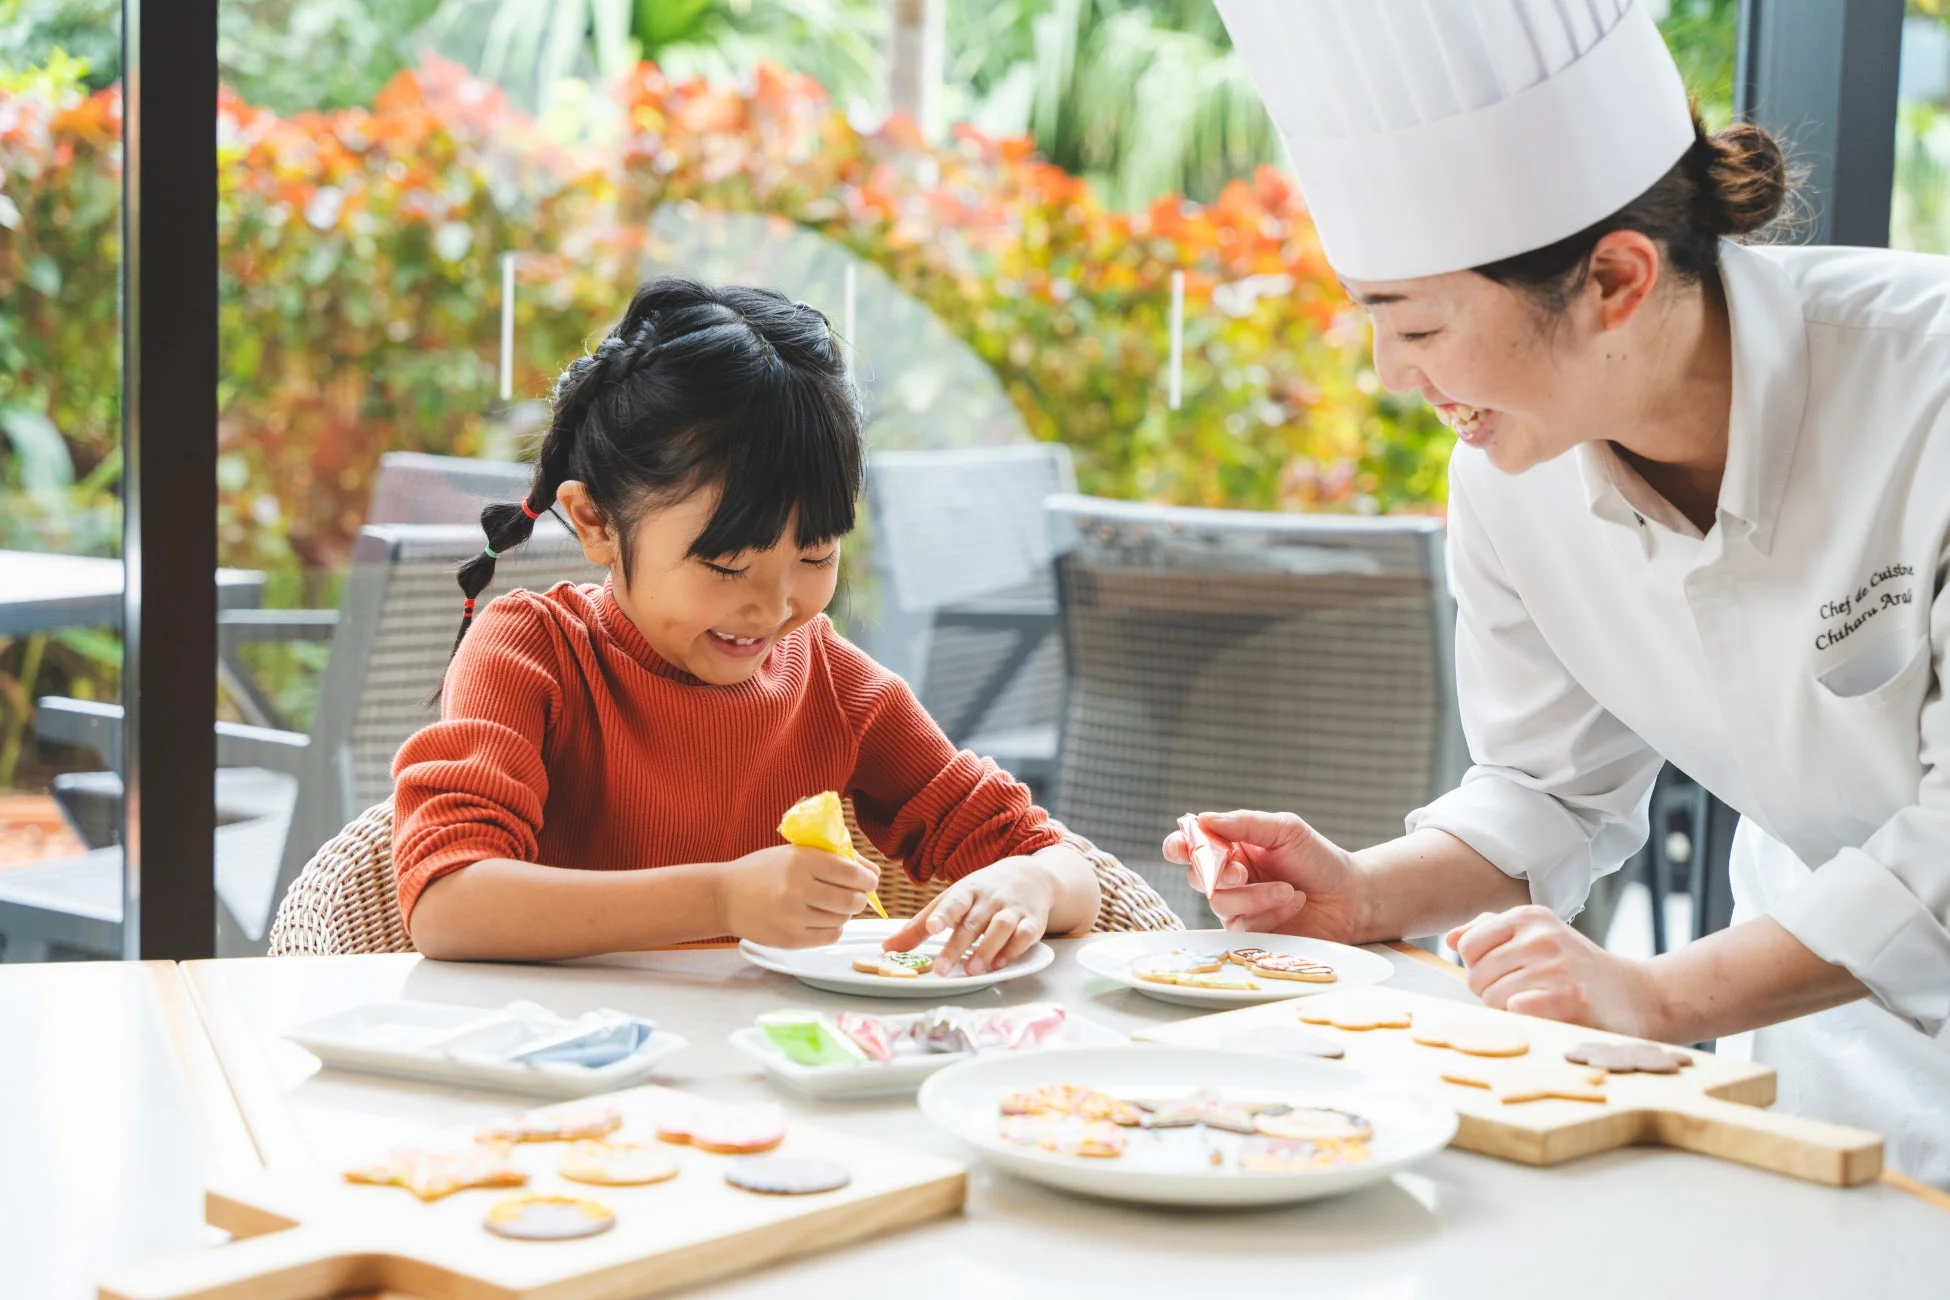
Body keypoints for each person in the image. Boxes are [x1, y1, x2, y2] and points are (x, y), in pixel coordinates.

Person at [1169, 0, 1950, 1183]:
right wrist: (1364, 892)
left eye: (1416, 324)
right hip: (1829, 1049)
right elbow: (1550, 789)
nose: (1392, 377)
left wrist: (1653, 993)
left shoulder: (1927, 389)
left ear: (1618, 280)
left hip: (1758, 989)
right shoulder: (1510, 467)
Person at [392, 277, 1098, 972]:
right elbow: (448, 904)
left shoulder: (832, 682)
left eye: (816, 554)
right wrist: (721, 897)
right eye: (729, 565)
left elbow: (1061, 866)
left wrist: (1030, 883)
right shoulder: (532, 653)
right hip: (554, 1068)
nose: (773, 607)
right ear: (595, 522)